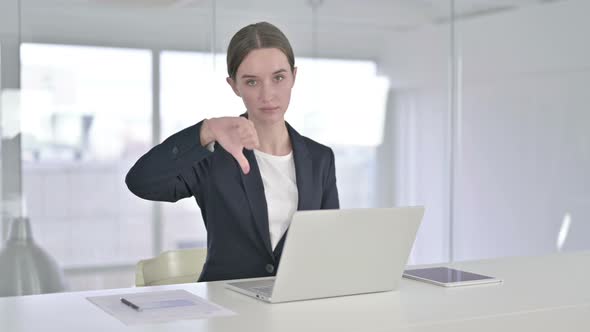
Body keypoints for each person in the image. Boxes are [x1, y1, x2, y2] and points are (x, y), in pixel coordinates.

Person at [125, 22, 339, 282]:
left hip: (296, 305)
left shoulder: (320, 158)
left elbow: (328, 241)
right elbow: (141, 182)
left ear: (294, 76)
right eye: (251, 82)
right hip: (225, 307)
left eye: (278, 77)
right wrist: (205, 131)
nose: (267, 94)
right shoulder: (212, 153)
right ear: (234, 85)